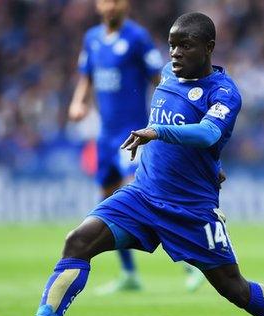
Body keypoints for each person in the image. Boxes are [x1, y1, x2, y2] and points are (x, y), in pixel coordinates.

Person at [5, 12, 264, 316]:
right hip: (142, 196)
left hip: (190, 210)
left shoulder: (224, 92)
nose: (174, 53)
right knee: (78, 241)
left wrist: (161, 133)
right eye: (172, 45)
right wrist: (205, 161)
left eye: (185, 46)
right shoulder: (168, 77)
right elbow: (179, 127)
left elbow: (207, 133)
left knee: (234, 288)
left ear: (209, 48)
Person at [68, 0, 204, 294]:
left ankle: (191, 263)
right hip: (104, 137)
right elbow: (87, 76)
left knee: (146, 197)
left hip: (132, 135)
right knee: (107, 201)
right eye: (105, 1)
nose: (110, 6)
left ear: (126, 5)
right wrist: (79, 101)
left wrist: (168, 115)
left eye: (116, 1)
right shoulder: (92, 38)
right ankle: (129, 273)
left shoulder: (137, 38)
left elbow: (161, 78)